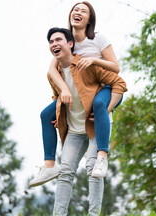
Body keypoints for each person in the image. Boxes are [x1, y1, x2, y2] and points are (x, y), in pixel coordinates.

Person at [30, 1, 121, 187]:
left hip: (106, 88)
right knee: (46, 115)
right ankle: (49, 165)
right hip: (83, 92)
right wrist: (63, 91)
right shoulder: (66, 41)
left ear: (89, 19)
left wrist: (94, 61)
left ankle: (102, 156)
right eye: (75, 10)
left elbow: (116, 67)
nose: (78, 12)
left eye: (83, 11)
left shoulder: (97, 38)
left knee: (98, 104)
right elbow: (52, 69)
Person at [44, 27, 127, 215]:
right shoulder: (53, 73)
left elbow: (119, 83)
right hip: (74, 130)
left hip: (95, 127)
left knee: (93, 168)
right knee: (65, 171)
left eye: (58, 40)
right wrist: (59, 115)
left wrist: (106, 109)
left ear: (70, 44)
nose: (54, 44)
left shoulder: (85, 65)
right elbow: (56, 97)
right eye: (51, 41)